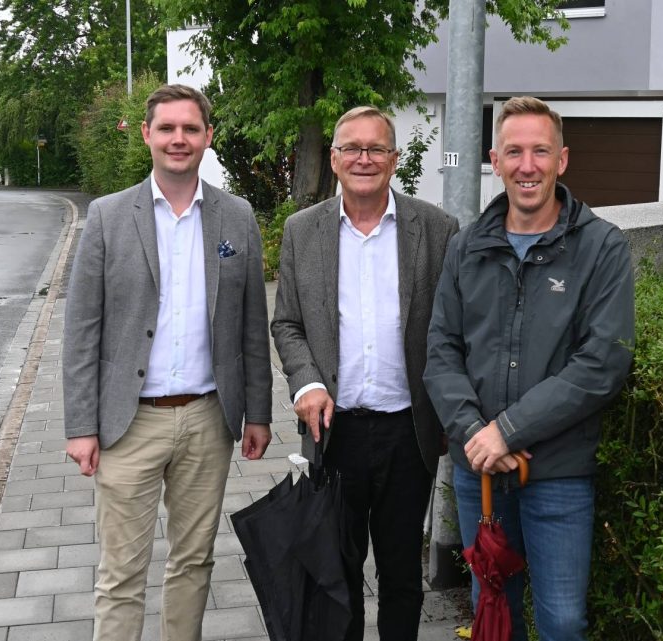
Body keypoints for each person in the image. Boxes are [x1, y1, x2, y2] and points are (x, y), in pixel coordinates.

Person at [62, 83, 273, 641]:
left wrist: (258, 413)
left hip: (208, 419)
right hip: (127, 424)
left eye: (190, 128)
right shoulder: (108, 217)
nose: (179, 139)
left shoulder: (236, 217)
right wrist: (81, 426)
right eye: (167, 128)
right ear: (147, 135)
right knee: (121, 573)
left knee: (193, 562)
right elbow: (82, 329)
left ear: (207, 137)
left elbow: (253, 325)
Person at [424, 96, 635, 641]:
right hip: (480, 474)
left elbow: (602, 363)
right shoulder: (467, 246)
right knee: (492, 610)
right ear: (494, 160)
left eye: (540, 151)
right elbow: (442, 350)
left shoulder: (601, 248)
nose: (527, 165)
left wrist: (508, 431)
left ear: (561, 159)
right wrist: (477, 435)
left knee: (563, 621)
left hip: (558, 472)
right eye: (514, 151)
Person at [271, 106, 459, 640]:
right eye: (351, 148)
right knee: (337, 573)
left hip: (410, 432)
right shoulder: (301, 231)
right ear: (333, 159)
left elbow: (453, 328)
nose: (364, 158)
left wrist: (450, 407)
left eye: (376, 149)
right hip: (334, 433)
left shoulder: (437, 228)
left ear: (395, 160)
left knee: (402, 574)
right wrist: (306, 382)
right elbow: (286, 322)